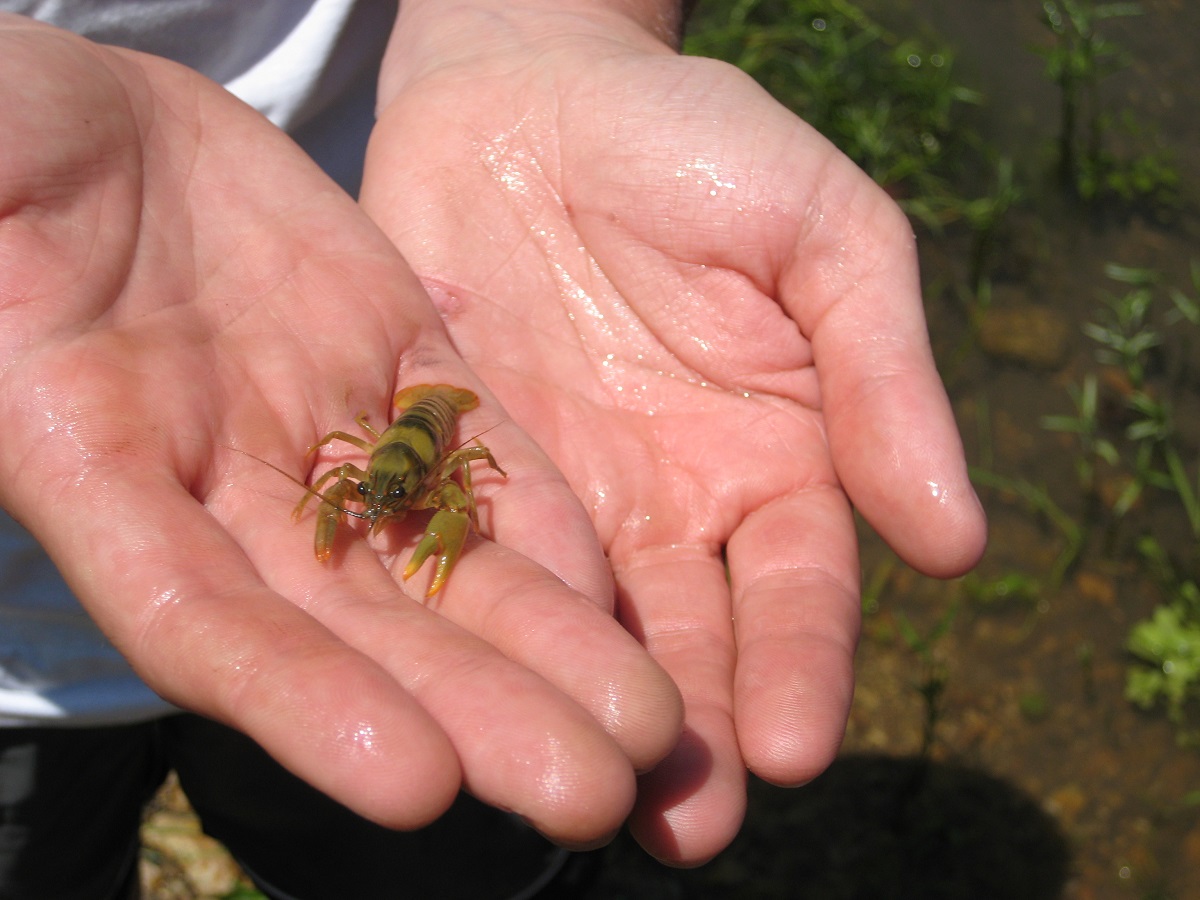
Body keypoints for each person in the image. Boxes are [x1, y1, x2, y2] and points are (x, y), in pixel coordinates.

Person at [0, 1, 987, 897]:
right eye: (372, 504)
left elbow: (459, 490)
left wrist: (557, 23)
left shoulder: (424, 460)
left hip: (390, 238)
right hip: (19, 671)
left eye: (380, 503)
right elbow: (345, 474)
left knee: (413, 844)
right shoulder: (359, 471)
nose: (371, 510)